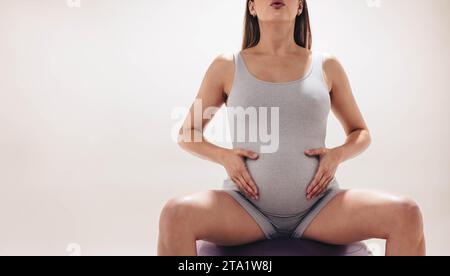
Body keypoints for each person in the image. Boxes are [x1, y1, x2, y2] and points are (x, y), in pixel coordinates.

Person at [158, 0, 426, 256]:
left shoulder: (326, 65)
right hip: (245, 208)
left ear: (300, 5)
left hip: (319, 208)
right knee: (175, 214)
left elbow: (360, 133)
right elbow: (188, 133)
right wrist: (224, 157)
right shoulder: (227, 66)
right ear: (252, 6)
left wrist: (337, 155)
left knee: (406, 213)